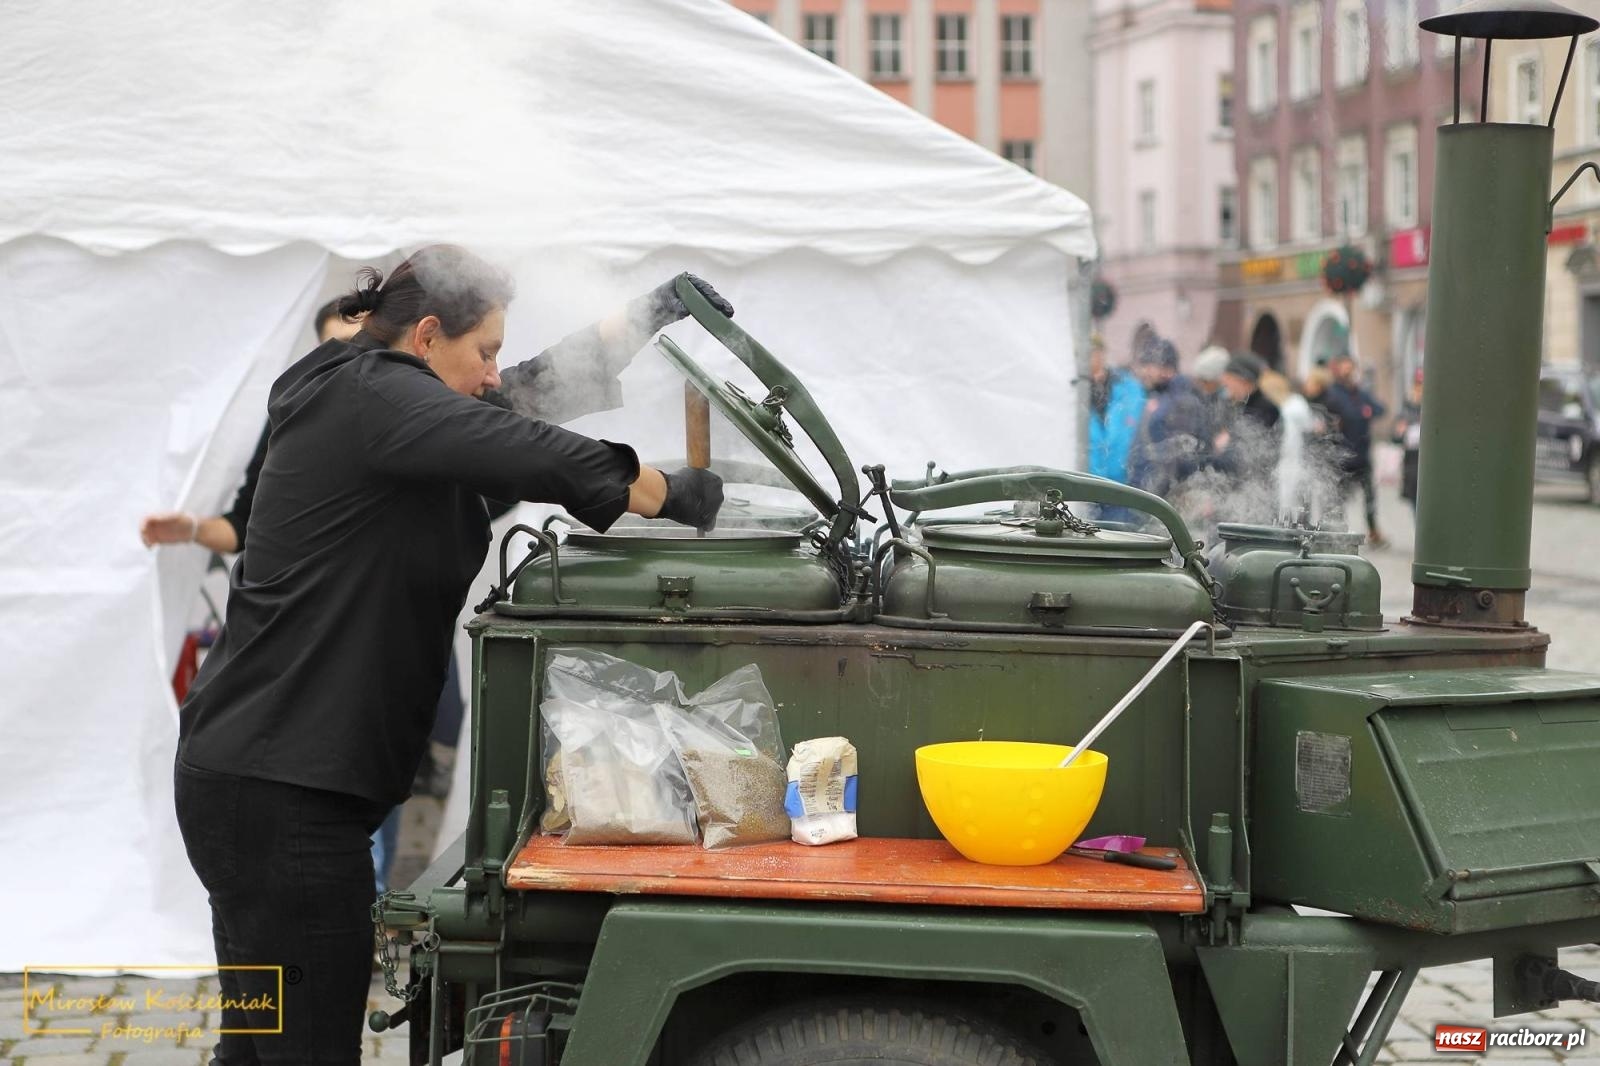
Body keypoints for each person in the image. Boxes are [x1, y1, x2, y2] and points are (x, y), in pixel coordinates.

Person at [172, 245, 730, 1065]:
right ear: (427, 335)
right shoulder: (372, 397)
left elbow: (525, 396)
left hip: (251, 778)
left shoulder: (373, 400)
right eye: (485, 350)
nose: (494, 372)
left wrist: (641, 316)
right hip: (282, 800)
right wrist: (665, 492)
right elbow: (533, 447)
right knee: (305, 1048)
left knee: (256, 1047)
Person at [139, 300, 362, 552]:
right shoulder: (291, 421)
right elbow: (245, 525)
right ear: (319, 355)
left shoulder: (398, 419)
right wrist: (192, 529)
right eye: (338, 348)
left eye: (363, 344)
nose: (354, 358)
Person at [1127, 337, 1210, 501]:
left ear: (1166, 368)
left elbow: (1179, 454)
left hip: (1159, 495)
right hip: (1146, 490)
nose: (1144, 371)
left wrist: (1158, 490)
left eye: (1149, 366)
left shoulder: (1181, 402)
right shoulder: (1160, 396)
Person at [1322, 351, 1388, 547]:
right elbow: (1340, 415)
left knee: (1370, 497)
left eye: (1351, 368)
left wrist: (1365, 411)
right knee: (1338, 499)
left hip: (1362, 455)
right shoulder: (1333, 394)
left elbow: (1379, 409)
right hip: (1341, 456)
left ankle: (1374, 532)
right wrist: (1359, 413)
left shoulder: (1360, 393)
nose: (1348, 372)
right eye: (1345, 368)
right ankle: (1336, 534)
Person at [1087, 333, 1145, 485]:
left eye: (1094, 352)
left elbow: (1142, 431)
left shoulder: (1130, 388)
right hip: (1086, 482)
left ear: (1102, 353)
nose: (1091, 358)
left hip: (1125, 482)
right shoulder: (1074, 391)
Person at [1259, 371, 1313, 522]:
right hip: (1292, 458)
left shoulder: (1289, 407)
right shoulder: (1296, 404)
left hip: (1290, 459)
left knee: (1287, 502)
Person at [1391, 368, 1424, 511]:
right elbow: (1395, 438)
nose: (1420, 389)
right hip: (1411, 458)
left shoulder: (1432, 407)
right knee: (1414, 498)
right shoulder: (1407, 407)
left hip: (1426, 456)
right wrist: (1400, 431)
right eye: (1418, 385)